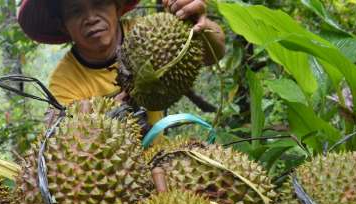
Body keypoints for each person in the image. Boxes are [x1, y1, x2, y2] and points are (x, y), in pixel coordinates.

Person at [17, 0, 225, 124]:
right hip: (114, 180)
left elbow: (213, 52)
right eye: (75, 11)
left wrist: (198, 23)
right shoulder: (63, 82)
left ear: (117, 6)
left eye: (99, 2)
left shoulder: (146, 31)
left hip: (162, 157)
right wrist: (106, 116)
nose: (90, 18)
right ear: (62, 25)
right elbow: (65, 141)